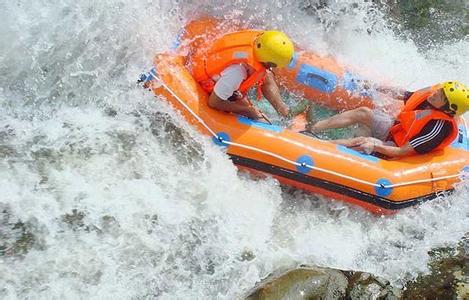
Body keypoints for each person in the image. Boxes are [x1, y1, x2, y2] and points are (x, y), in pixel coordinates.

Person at [306, 81, 469, 157]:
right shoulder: (431, 99)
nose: (434, 93)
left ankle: (314, 146)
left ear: (448, 109)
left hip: (398, 148)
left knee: (364, 141)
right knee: (363, 112)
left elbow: (402, 151)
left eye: (439, 95)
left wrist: (375, 147)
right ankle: (313, 128)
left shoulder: (438, 127)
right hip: (396, 129)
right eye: (438, 91)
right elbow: (404, 94)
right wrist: (375, 87)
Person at [188, 30, 294, 121]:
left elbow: (265, 77)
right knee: (260, 118)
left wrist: (282, 109)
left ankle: (283, 110)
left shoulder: (260, 42)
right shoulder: (236, 73)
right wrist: (247, 111)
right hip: (209, 79)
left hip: (222, 68)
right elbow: (213, 103)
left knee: (267, 75)